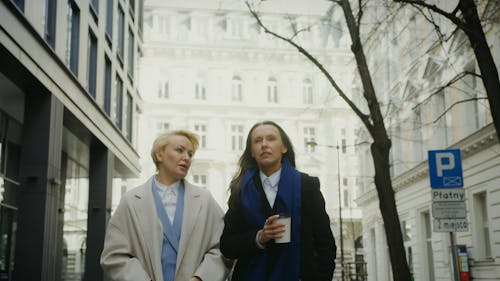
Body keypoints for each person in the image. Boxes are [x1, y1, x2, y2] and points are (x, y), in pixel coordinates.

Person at [101, 130, 230, 281]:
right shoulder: (130, 201)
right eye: (179, 150)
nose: (186, 158)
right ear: (159, 155)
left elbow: (224, 248)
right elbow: (114, 256)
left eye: (190, 154)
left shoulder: (205, 200)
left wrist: (200, 278)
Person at [220, 121, 336, 281]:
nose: (264, 144)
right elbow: (227, 245)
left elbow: (325, 244)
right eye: (258, 140)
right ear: (252, 152)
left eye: (271, 138)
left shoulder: (307, 186)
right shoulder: (240, 190)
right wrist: (259, 237)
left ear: (284, 148)